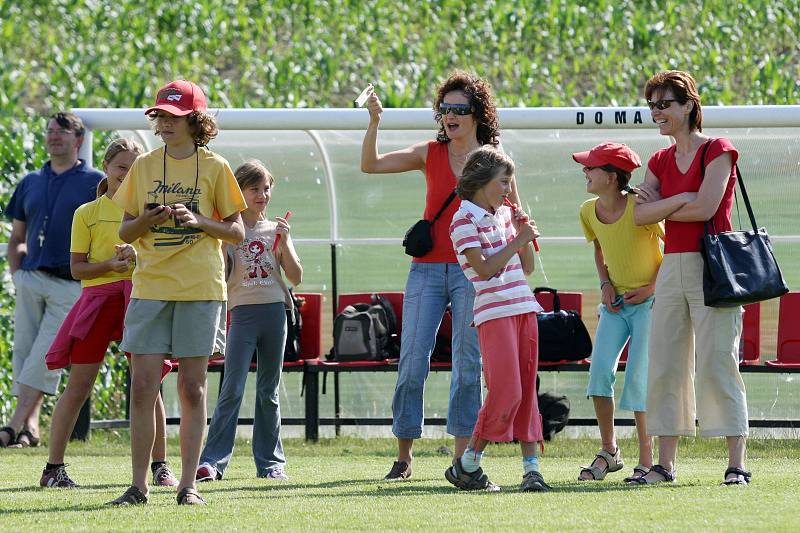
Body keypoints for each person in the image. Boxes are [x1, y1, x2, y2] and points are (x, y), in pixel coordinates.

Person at [361, 72, 521, 480]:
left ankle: (461, 457)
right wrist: (374, 122)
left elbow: (512, 212)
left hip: (475, 272)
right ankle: (403, 455)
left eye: (459, 110)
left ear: (477, 114)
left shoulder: (493, 157)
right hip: (426, 269)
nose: (450, 116)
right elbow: (371, 165)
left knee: (468, 364)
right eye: (445, 109)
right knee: (413, 358)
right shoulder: (429, 152)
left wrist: (519, 260)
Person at [108, 80, 246, 505]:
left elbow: (237, 232)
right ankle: (138, 486)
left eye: (174, 117)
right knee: (144, 386)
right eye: (161, 117)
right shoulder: (144, 166)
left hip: (201, 289)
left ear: (195, 121)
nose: (165, 124)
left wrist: (200, 221)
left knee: (192, 389)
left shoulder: (217, 167)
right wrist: (149, 219)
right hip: (150, 288)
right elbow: (125, 230)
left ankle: (188, 486)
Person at [632, 70, 750, 485]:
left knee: (717, 360)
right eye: (652, 105)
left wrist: (666, 201)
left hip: (713, 265)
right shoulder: (659, 160)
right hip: (671, 267)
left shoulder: (718, 149)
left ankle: (736, 463)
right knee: (664, 362)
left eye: (664, 104)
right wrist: (680, 197)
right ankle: (665, 466)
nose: (656, 112)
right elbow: (639, 215)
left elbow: (705, 209)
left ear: (688, 107)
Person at [39, 139, 178, 488]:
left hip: (140, 299)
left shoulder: (151, 210)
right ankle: (53, 468)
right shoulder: (86, 213)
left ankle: (160, 466)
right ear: (106, 167)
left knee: (149, 385)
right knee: (79, 385)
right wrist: (111, 264)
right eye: (121, 167)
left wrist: (136, 259)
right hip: (97, 304)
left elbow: (162, 257)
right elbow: (77, 269)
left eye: (135, 167)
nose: (127, 174)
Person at [447, 146, 547, 492]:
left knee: (526, 393)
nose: (508, 189)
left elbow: (528, 268)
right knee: (506, 391)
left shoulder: (505, 216)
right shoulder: (462, 220)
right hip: (494, 314)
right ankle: (469, 462)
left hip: (523, 309)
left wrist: (523, 238)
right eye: (503, 182)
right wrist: (519, 239)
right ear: (482, 180)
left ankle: (531, 469)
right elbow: (486, 270)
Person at [1, 112, 103, 448]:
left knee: (45, 353)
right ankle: (30, 428)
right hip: (30, 279)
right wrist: (18, 274)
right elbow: (18, 236)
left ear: (79, 139)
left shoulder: (95, 181)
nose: (53, 137)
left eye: (61, 132)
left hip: (70, 285)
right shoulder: (30, 182)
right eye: (49, 131)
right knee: (25, 352)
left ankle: (13, 424)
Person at [196, 160, 302, 482]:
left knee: (268, 391)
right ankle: (212, 462)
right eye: (254, 189)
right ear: (239, 192)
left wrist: (285, 244)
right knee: (232, 388)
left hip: (275, 313)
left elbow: (295, 277)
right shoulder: (229, 232)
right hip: (241, 315)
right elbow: (223, 279)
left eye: (266, 188)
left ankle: (271, 464)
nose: (262, 195)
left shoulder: (277, 229)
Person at [572, 142, 663, 482]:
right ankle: (609, 452)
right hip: (615, 304)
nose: (585, 171)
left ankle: (647, 457)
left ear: (611, 177)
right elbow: (599, 247)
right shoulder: (587, 210)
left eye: (591, 167)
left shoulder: (641, 207)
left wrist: (652, 289)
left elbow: (673, 249)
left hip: (649, 304)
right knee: (598, 377)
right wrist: (605, 283)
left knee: (638, 380)